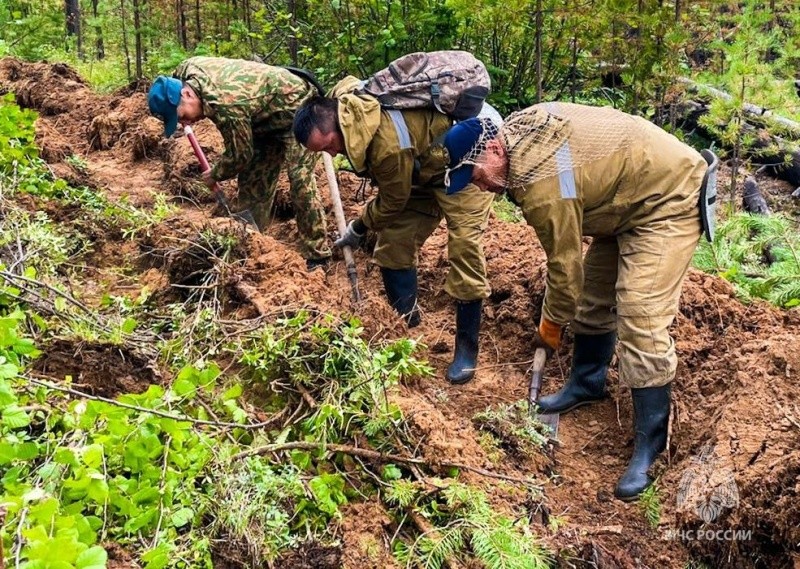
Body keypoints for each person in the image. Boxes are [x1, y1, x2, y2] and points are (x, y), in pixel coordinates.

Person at [442, 102, 713, 500]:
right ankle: (587, 383)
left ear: (496, 150)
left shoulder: (541, 181)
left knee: (640, 317)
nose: (478, 186)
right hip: (619, 201)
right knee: (592, 300)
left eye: (476, 175)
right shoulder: (516, 139)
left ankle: (650, 449)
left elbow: (564, 268)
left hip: (665, 198)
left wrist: (548, 330)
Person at [291, 76, 499, 384]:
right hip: (422, 162)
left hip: (471, 153)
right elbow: (346, 80)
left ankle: (466, 351)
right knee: (393, 242)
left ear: (337, 125)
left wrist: (358, 227)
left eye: (330, 146)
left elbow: (392, 201)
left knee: (464, 246)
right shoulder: (344, 98)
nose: (332, 155)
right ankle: (405, 325)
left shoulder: (386, 147)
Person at [147, 56, 331, 270]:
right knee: (254, 180)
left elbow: (240, 154)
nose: (185, 123)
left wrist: (215, 173)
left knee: (300, 179)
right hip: (261, 118)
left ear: (187, 94)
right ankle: (251, 243)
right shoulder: (186, 71)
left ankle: (317, 254)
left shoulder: (226, 104)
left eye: (181, 116)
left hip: (297, 109)